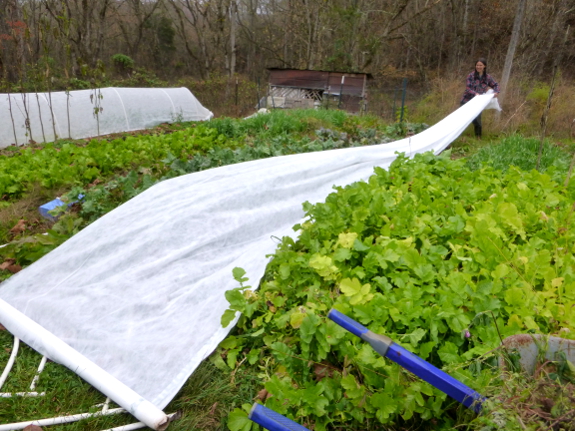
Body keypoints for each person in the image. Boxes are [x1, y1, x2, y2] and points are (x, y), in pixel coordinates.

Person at [460, 58, 500, 138]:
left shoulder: (487, 77)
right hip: (467, 100)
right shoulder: (471, 76)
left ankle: (478, 138)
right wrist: (475, 94)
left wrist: (496, 92)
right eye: (477, 65)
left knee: (477, 121)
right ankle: (457, 136)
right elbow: (468, 89)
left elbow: (496, 85)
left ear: (484, 66)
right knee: (461, 120)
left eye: (480, 65)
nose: (478, 67)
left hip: (478, 103)